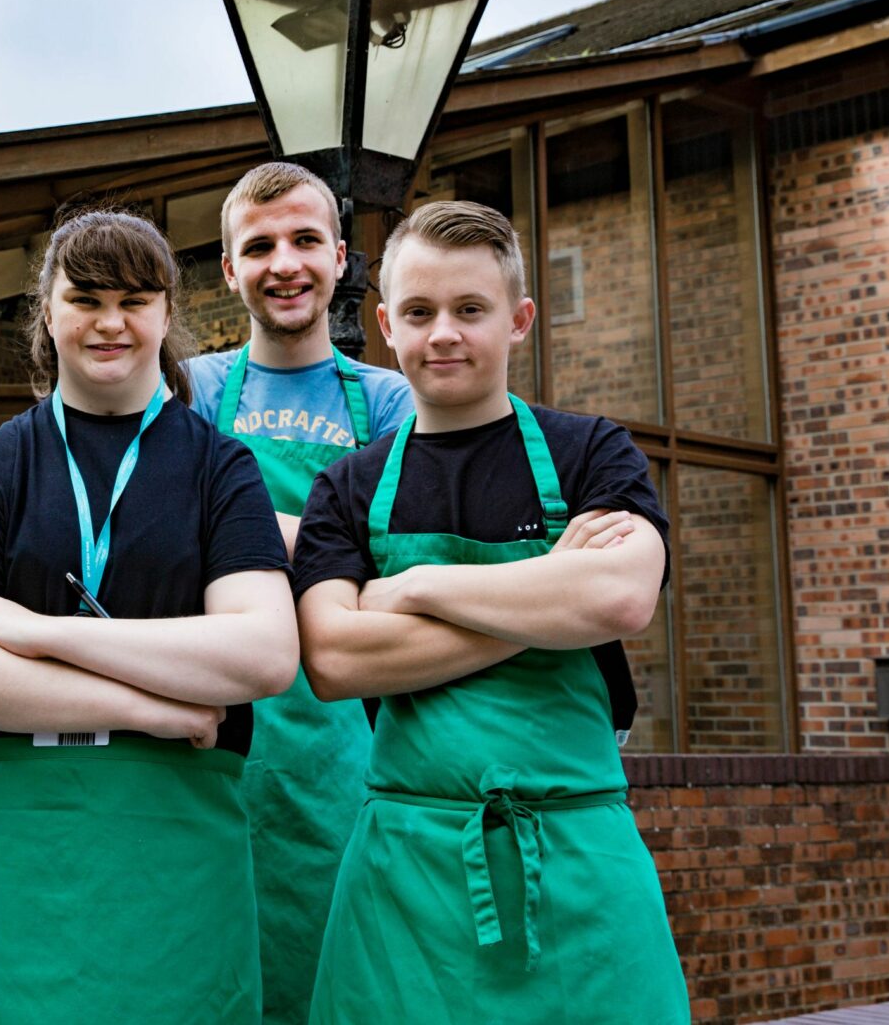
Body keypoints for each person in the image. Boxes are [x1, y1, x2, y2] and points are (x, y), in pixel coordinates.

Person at [0, 209, 299, 1024]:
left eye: (135, 300)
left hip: (174, 842)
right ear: (48, 311)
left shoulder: (221, 466)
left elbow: (262, 653)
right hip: (0, 846)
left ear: (165, 314)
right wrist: (154, 707)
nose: (110, 322)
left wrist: (39, 633)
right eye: (86, 299)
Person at [294, 200, 689, 1023]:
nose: (444, 333)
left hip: (580, 859)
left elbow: (620, 597)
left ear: (519, 319)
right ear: (385, 326)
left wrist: (412, 589)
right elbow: (333, 660)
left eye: (470, 310)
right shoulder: (350, 487)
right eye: (419, 312)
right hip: (405, 872)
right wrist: (548, 592)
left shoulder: (592, 451)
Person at [184, 160, 413, 1024]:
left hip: (342, 733)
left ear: (343, 258)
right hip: (221, 724)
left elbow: (395, 555)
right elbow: (176, 535)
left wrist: (244, 533)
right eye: (260, 246)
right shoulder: (197, 388)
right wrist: (330, 547)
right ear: (230, 269)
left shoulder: (389, 399)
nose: (285, 262)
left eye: (305, 240)